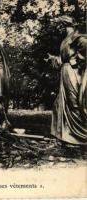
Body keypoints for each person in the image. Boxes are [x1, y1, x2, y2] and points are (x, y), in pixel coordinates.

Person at [48, 16, 87, 145]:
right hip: (65, 71)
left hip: (72, 72)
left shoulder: (76, 37)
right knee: (59, 102)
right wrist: (54, 59)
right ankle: (63, 135)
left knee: (73, 101)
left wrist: (75, 60)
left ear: (64, 25)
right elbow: (63, 58)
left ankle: (81, 135)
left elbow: (84, 48)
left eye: (60, 25)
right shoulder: (66, 39)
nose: (58, 28)